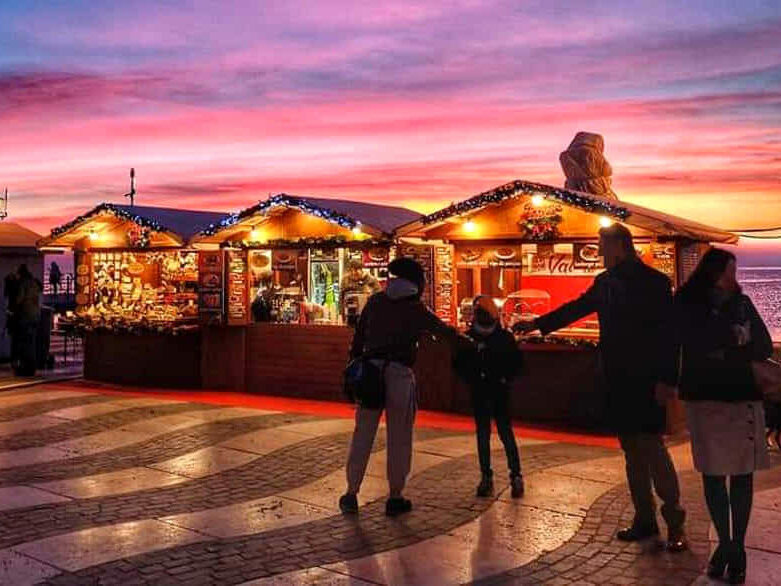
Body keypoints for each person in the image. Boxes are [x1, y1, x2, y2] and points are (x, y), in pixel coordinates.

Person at [515, 223, 687, 551]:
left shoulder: (655, 284)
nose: (599, 253)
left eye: (602, 247)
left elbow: (669, 337)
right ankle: (644, 520)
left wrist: (667, 380)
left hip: (647, 381)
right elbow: (577, 308)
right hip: (618, 379)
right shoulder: (605, 282)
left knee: (651, 448)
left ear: (620, 247)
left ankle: (675, 521)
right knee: (631, 451)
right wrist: (538, 324)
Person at [675, 248, 772, 584]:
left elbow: (761, 345)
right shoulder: (687, 304)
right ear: (713, 273)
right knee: (714, 475)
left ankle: (734, 547)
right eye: (730, 272)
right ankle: (731, 547)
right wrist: (732, 345)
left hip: (740, 398)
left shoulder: (741, 304)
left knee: (741, 475)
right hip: (706, 400)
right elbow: (690, 343)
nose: (735, 279)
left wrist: (723, 350)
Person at [341, 257, 462, 517]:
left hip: (371, 372)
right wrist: (471, 341)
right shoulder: (416, 309)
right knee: (399, 436)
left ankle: (351, 492)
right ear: (416, 282)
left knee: (363, 433)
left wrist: (355, 365)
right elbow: (445, 333)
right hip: (399, 374)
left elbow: (358, 339)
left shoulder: (375, 302)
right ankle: (395, 495)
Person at [455, 295, 525, 498]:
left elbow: (458, 365)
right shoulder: (502, 337)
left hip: (489, 390)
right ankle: (512, 475)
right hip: (492, 390)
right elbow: (517, 364)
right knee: (500, 434)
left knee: (489, 434)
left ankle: (493, 476)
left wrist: (475, 379)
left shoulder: (471, 338)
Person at [14, 264, 42, 377]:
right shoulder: (35, 282)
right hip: (35, 315)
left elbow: (19, 300)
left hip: (25, 315)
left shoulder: (23, 283)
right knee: (32, 342)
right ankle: (32, 367)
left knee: (24, 342)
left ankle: (25, 367)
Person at [339, 259, 380, 327]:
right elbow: (341, 298)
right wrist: (341, 314)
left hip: (368, 316)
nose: (353, 273)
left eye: (356, 270)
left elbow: (379, 298)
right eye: (351, 271)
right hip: (350, 315)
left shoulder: (371, 280)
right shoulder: (345, 280)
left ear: (362, 270)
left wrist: (369, 293)